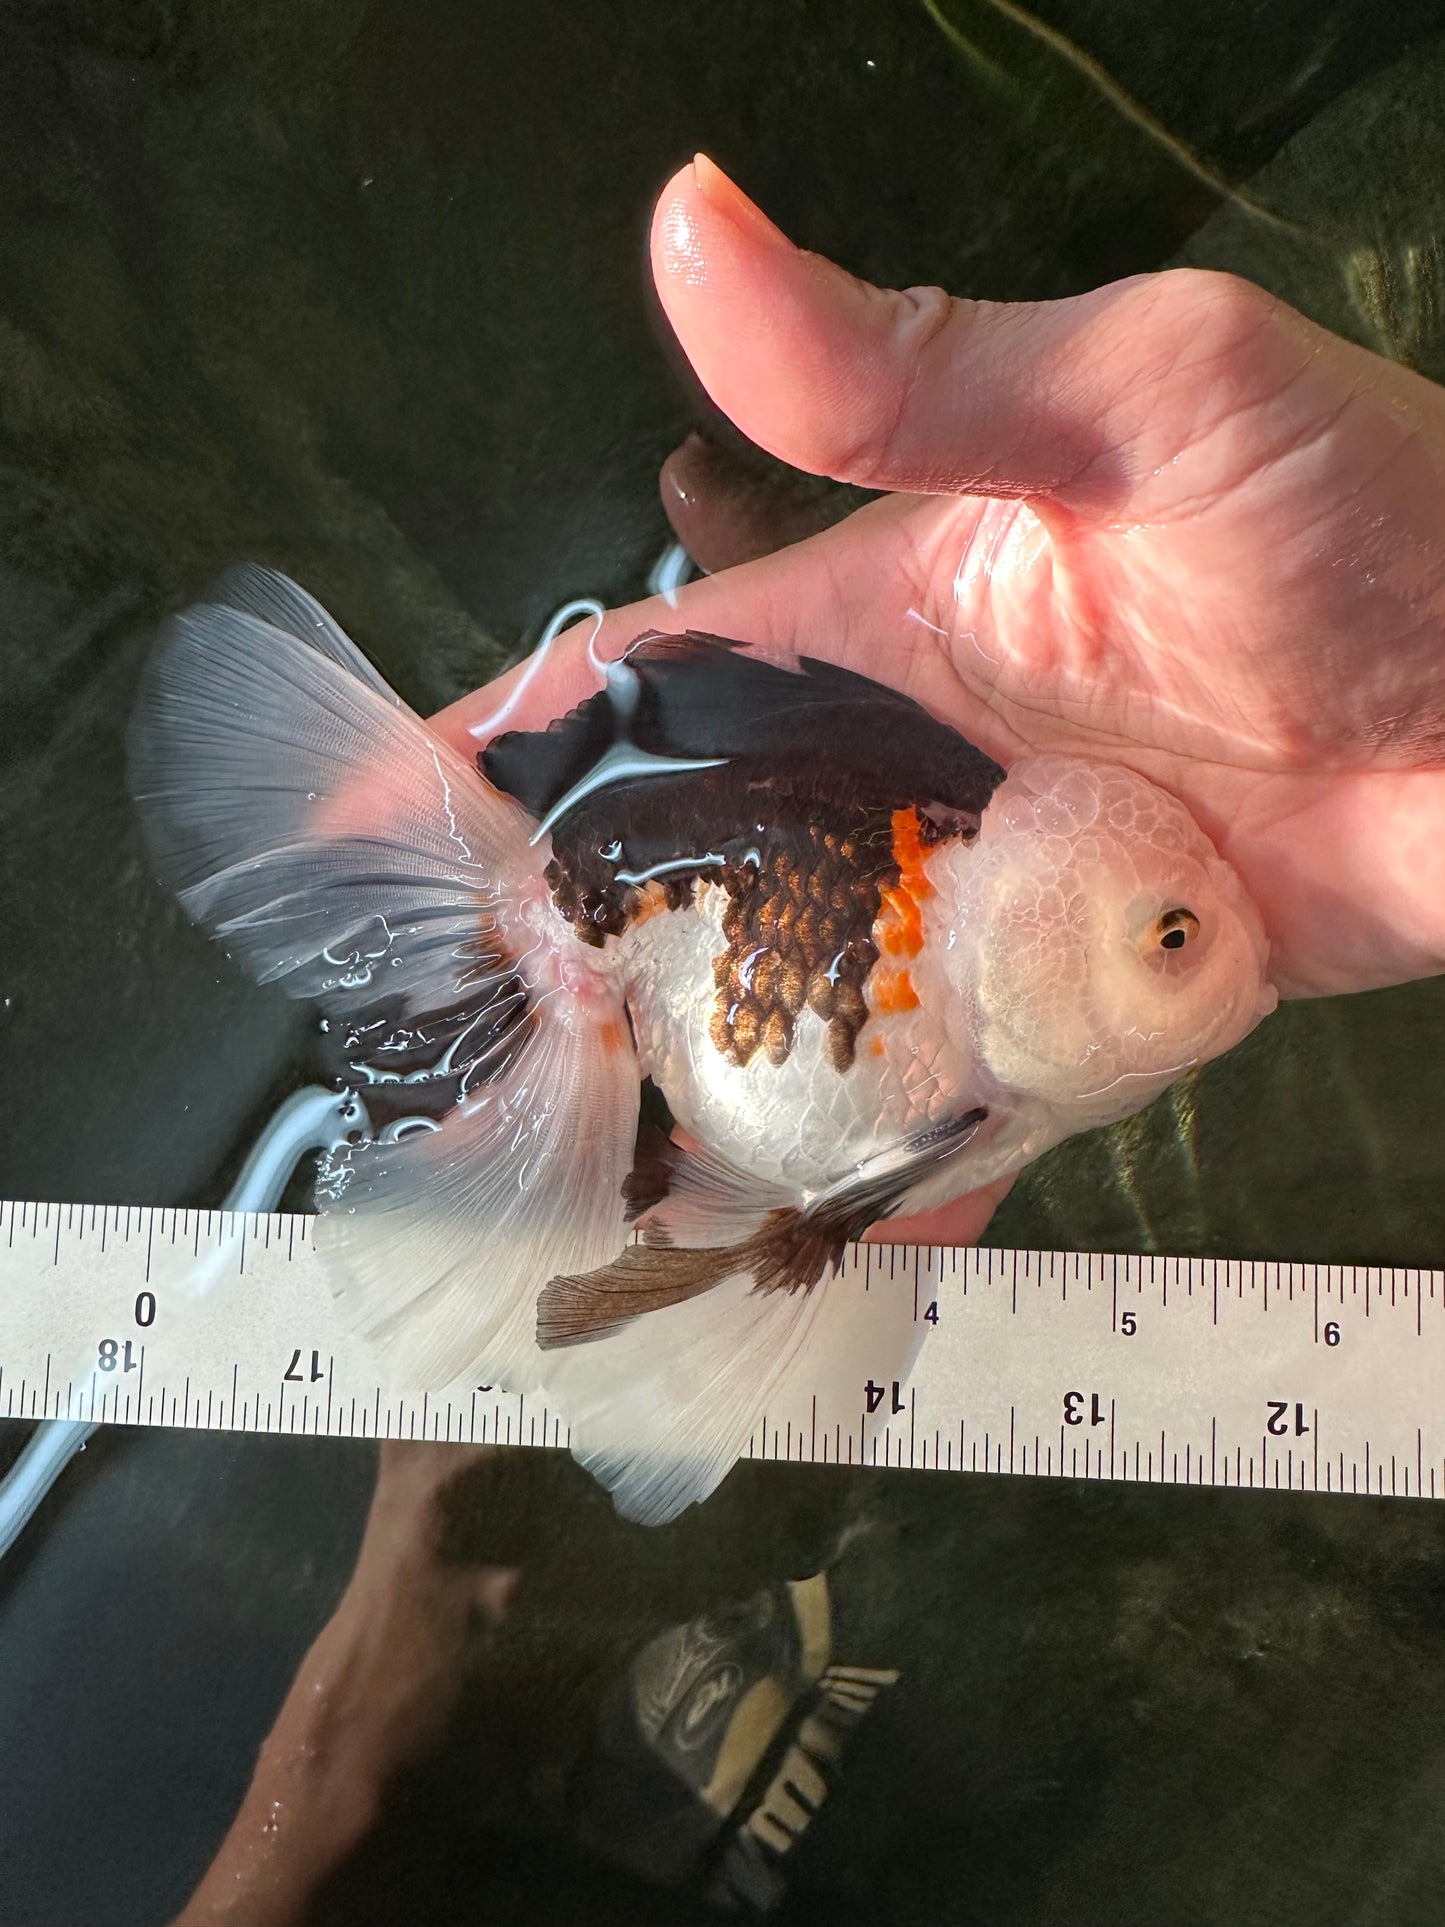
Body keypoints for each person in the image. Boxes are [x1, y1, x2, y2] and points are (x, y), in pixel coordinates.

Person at [432, 155, 1445, 1246]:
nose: (1228, 924)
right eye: (1172, 936)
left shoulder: (997, 1017)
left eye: (1176, 928)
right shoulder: (988, 1004)